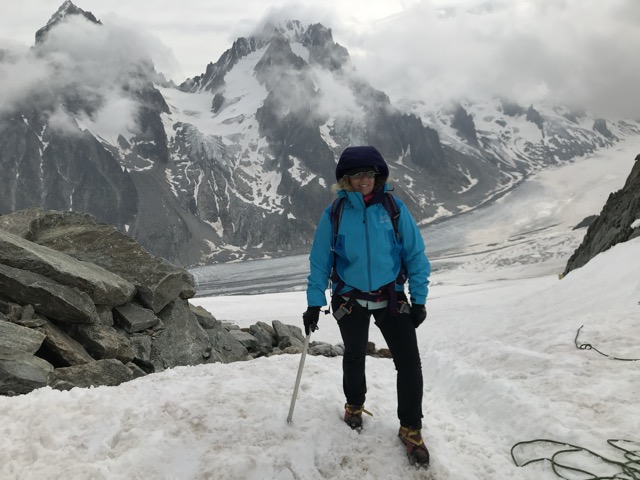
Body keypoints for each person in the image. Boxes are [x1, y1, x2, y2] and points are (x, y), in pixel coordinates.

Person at [303, 145, 431, 466]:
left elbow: (415, 254)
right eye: (357, 175)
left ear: (378, 175)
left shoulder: (393, 208)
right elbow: (320, 262)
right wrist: (314, 303)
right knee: (355, 354)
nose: (364, 180)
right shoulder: (335, 213)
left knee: (409, 363)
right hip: (350, 298)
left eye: (369, 174)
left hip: (390, 296)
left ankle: (411, 428)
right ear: (346, 180)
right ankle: (354, 406)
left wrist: (419, 299)